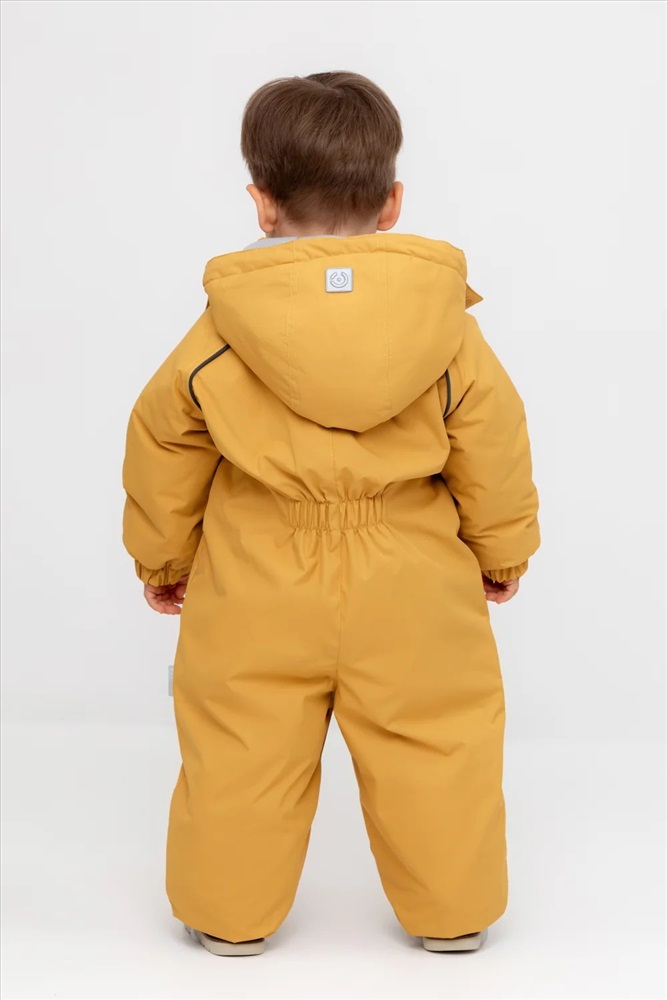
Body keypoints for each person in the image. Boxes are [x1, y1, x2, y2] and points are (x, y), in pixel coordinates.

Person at [122, 71, 540, 958]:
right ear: (391, 203)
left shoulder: (218, 336)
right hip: (412, 573)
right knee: (437, 737)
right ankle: (454, 914)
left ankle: (228, 920)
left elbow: (164, 442)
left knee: (241, 741)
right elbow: (493, 440)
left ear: (261, 203)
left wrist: (164, 561)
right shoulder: (446, 331)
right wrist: (501, 550)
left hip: (256, 571)